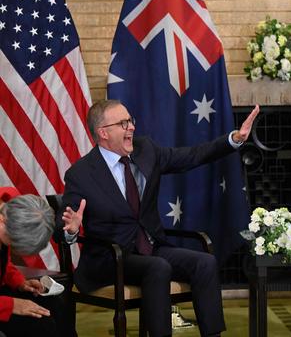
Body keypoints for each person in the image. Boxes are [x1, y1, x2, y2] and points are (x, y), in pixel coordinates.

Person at [61, 99, 260, 337]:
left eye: (130, 121)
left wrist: (233, 140)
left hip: (150, 247)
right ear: (103, 133)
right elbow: (62, 225)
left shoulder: (146, 150)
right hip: (110, 258)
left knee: (205, 262)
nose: (131, 128)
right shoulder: (81, 174)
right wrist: (71, 229)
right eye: (123, 124)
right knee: (158, 267)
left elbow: (191, 156)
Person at [0, 188, 75, 337]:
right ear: (2, 221)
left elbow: (3, 262)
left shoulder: (15, 210)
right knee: (38, 324)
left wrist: (19, 282)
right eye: (12, 242)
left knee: (55, 305)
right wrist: (12, 305)